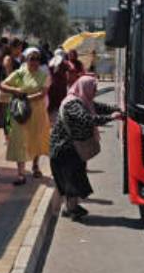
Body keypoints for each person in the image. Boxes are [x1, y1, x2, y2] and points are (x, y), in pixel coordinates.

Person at [49, 77, 121, 221]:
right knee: (72, 180)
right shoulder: (72, 104)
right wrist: (110, 118)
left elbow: (99, 107)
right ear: (84, 87)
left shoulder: (83, 100)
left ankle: (70, 208)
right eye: (93, 88)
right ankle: (72, 209)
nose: (94, 91)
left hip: (73, 149)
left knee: (75, 178)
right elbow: (86, 119)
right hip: (64, 149)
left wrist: (118, 109)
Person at [0, 47, 51, 185]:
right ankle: (21, 174)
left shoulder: (44, 75)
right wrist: (15, 90)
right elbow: (2, 85)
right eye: (31, 59)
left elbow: (42, 93)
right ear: (26, 60)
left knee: (37, 139)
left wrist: (25, 98)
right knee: (19, 140)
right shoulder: (20, 73)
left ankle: (35, 166)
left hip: (37, 112)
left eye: (37, 59)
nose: (34, 62)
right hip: (20, 113)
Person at [47, 49, 70, 114]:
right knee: (61, 98)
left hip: (53, 83)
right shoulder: (63, 62)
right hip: (61, 83)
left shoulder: (51, 62)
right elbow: (68, 68)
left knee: (54, 98)